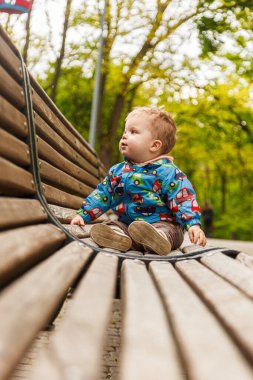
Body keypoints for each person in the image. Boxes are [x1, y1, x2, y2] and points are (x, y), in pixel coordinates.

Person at [71, 107, 206, 255]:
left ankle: (158, 239)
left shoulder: (168, 173)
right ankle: (116, 236)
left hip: (164, 224)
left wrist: (193, 224)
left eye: (133, 132)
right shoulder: (118, 172)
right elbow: (103, 194)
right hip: (129, 225)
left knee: (168, 231)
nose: (125, 136)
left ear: (154, 145)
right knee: (115, 225)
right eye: (125, 132)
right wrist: (83, 215)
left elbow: (183, 198)